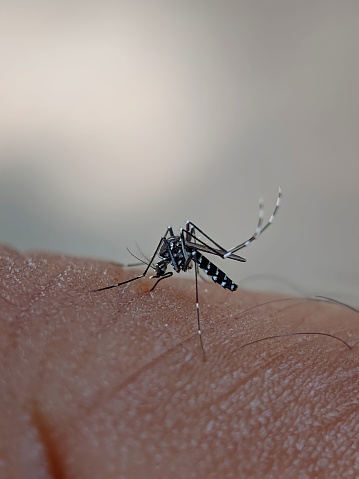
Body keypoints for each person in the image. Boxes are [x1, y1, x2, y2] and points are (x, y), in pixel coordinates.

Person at [1, 244, 357, 478]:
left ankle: (227, 254)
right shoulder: (165, 262)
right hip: (186, 258)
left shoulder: (174, 261)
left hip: (204, 264)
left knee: (183, 240)